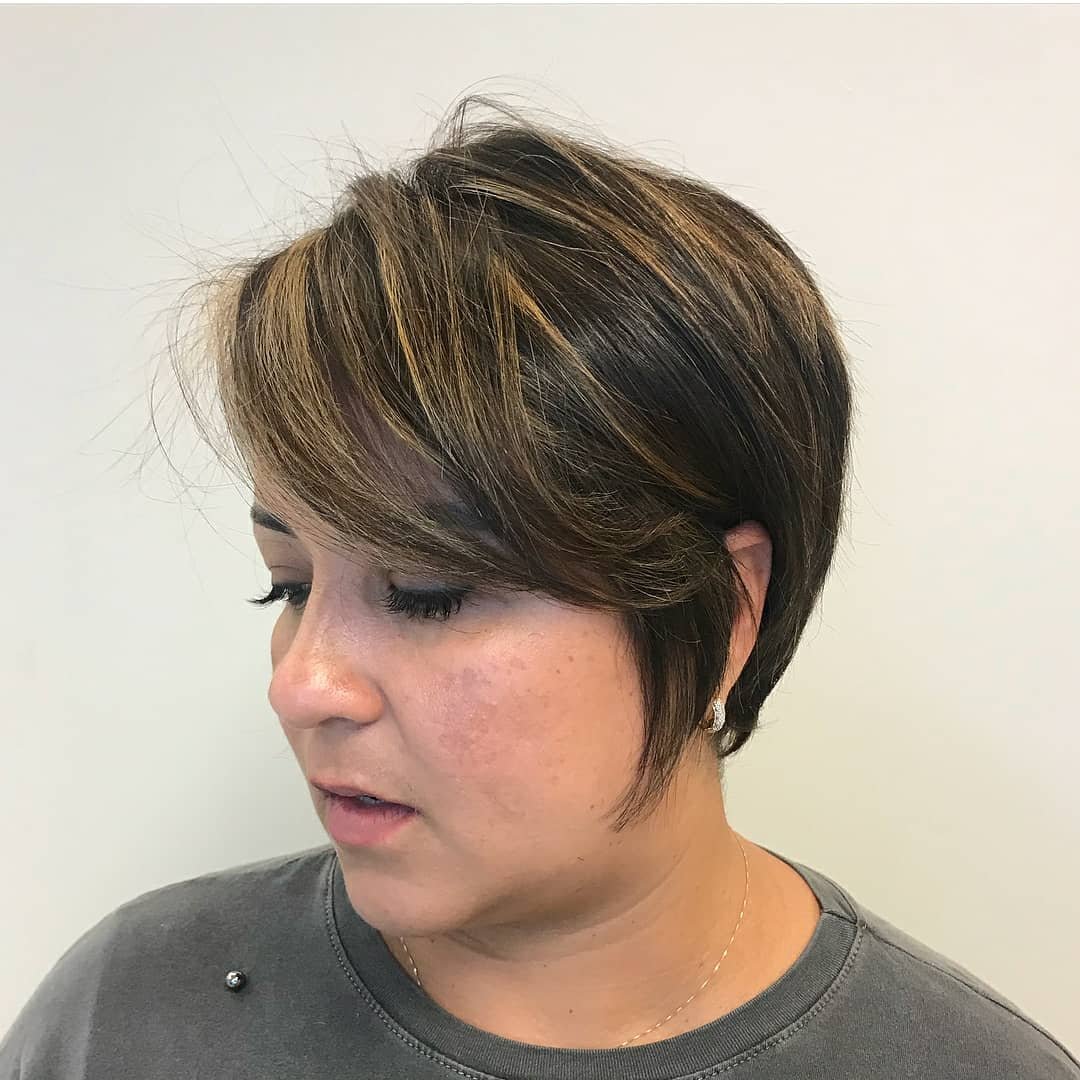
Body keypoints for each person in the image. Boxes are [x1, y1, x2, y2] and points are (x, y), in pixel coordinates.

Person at [3, 94, 1077, 1079]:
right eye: (286, 586)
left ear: (726, 610)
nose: (302, 685)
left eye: (426, 591)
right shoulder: (128, 1017)